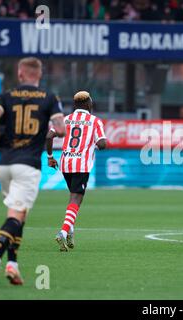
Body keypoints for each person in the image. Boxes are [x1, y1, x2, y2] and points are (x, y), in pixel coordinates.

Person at [0, 57, 65, 288]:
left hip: (4, 164)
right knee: (15, 217)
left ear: (20, 74)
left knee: (20, 214)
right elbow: (60, 129)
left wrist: (0, 139)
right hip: (27, 165)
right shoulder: (49, 98)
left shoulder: (6, 96)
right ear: (38, 75)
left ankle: (13, 265)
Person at [47, 91, 107, 252]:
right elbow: (102, 144)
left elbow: (49, 136)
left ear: (75, 105)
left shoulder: (65, 120)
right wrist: (95, 145)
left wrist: (50, 157)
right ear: (89, 104)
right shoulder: (94, 121)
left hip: (66, 164)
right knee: (76, 199)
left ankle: (70, 231)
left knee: (73, 198)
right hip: (81, 164)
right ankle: (63, 231)